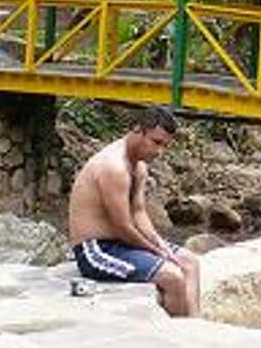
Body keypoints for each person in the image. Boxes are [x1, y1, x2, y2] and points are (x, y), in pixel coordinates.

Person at [68, 107, 201, 317]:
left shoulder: (139, 166)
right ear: (138, 130)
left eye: (165, 146)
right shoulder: (114, 167)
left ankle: (195, 328)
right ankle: (178, 336)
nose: (159, 152)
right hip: (97, 251)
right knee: (172, 276)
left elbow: (138, 212)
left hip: (123, 245)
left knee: (190, 262)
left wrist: (159, 242)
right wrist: (156, 252)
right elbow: (122, 226)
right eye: (156, 142)